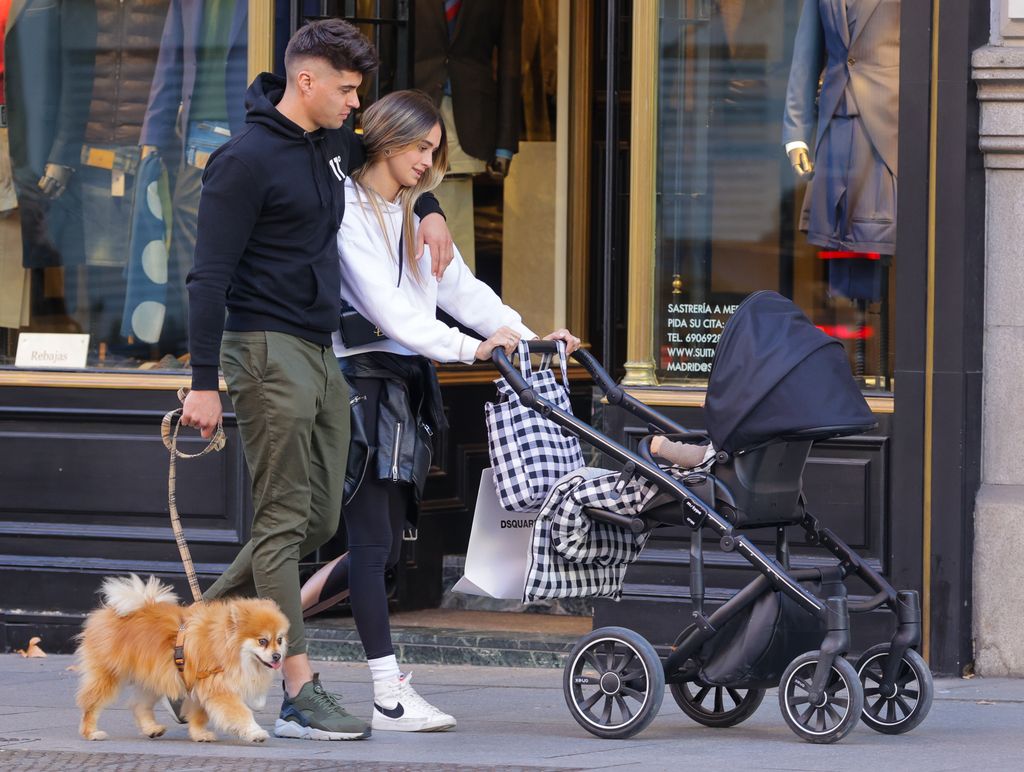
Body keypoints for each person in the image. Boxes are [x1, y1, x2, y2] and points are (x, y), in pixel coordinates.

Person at [178, 21, 453, 741]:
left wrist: (429, 209)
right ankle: (298, 689)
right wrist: (203, 383)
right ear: (306, 82)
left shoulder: (332, 145)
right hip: (263, 349)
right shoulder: (242, 163)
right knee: (279, 522)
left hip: (318, 350)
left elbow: (398, 160)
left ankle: (185, 648)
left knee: (317, 520)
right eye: (346, 88)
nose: (355, 104)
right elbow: (206, 279)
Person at [298, 89, 580, 733]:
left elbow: (462, 290)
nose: (427, 163)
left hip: (405, 385)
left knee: (387, 550)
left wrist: (527, 333)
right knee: (372, 548)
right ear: (386, 139)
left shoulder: (412, 214)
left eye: (434, 152)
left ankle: (259, 626)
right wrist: (473, 347)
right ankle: (388, 694)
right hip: (361, 384)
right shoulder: (346, 212)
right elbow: (392, 313)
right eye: (418, 148)